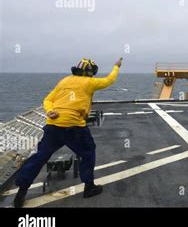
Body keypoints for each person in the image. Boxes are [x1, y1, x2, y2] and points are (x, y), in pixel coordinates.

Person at [13, 57, 123, 208]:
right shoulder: (89, 82)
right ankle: (89, 187)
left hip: (53, 126)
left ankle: (21, 191)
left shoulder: (64, 81)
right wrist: (116, 66)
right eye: (91, 73)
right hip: (74, 127)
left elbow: (47, 100)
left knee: (40, 156)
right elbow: (109, 80)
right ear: (87, 72)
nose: (92, 76)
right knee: (88, 152)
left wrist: (50, 111)